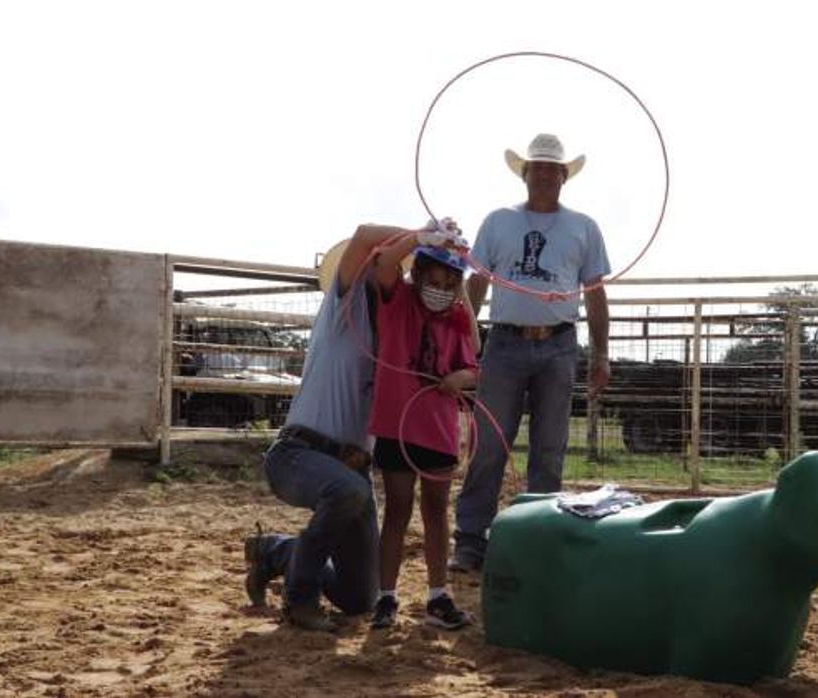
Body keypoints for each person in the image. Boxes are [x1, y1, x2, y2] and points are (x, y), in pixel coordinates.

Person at [243, 220, 462, 631]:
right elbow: (364, 235)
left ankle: (276, 553)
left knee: (358, 596)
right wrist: (423, 235)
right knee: (349, 491)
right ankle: (301, 600)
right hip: (299, 453)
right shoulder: (343, 308)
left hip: (349, 467)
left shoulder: (403, 327)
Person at [451, 133, 612, 572]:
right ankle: (470, 539)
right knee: (489, 444)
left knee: (549, 447)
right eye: (536, 167)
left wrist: (601, 354)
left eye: (551, 168)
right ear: (525, 174)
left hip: (560, 343)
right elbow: (477, 285)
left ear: (563, 177)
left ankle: (538, 535)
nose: (543, 174)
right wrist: (466, 338)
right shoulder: (497, 221)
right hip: (504, 341)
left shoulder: (584, 227)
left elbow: (595, 295)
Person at [365, 237, 479, 630]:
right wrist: (421, 236)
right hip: (397, 425)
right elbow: (382, 262)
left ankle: (437, 595)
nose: (442, 292)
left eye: (451, 285)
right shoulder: (396, 303)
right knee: (397, 508)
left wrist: (458, 378)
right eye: (436, 281)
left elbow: (472, 367)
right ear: (417, 274)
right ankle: (386, 596)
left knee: (436, 510)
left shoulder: (459, 319)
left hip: (438, 428)